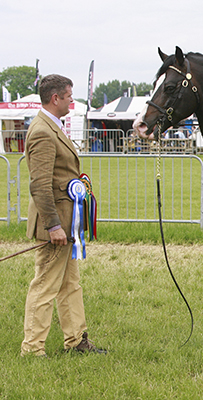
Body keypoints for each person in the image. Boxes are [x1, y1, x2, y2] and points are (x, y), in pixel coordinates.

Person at [21, 74, 106, 357]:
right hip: (56, 225)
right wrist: (54, 225)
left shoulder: (52, 126)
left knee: (70, 284)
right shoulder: (43, 131)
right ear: (55, 98)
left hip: (68, 222)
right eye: (69, 95)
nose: (72, 99)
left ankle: (77, 340)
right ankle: (32, 348)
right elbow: (40, 185)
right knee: (45, 285)